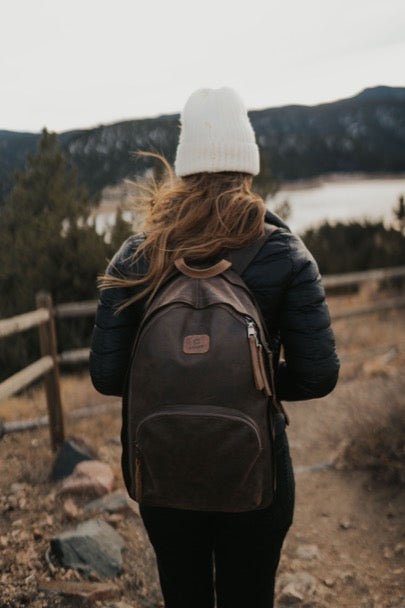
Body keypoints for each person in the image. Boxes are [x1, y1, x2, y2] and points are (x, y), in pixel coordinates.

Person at [89, 87, 340, 608]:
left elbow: (108, 377)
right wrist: (257, 380)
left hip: (162, 471)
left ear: (184, 168)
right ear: (246, 165)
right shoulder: (286, 252)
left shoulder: (136, 255)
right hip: (255, 472)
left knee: (185, 595)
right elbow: (318, 376)